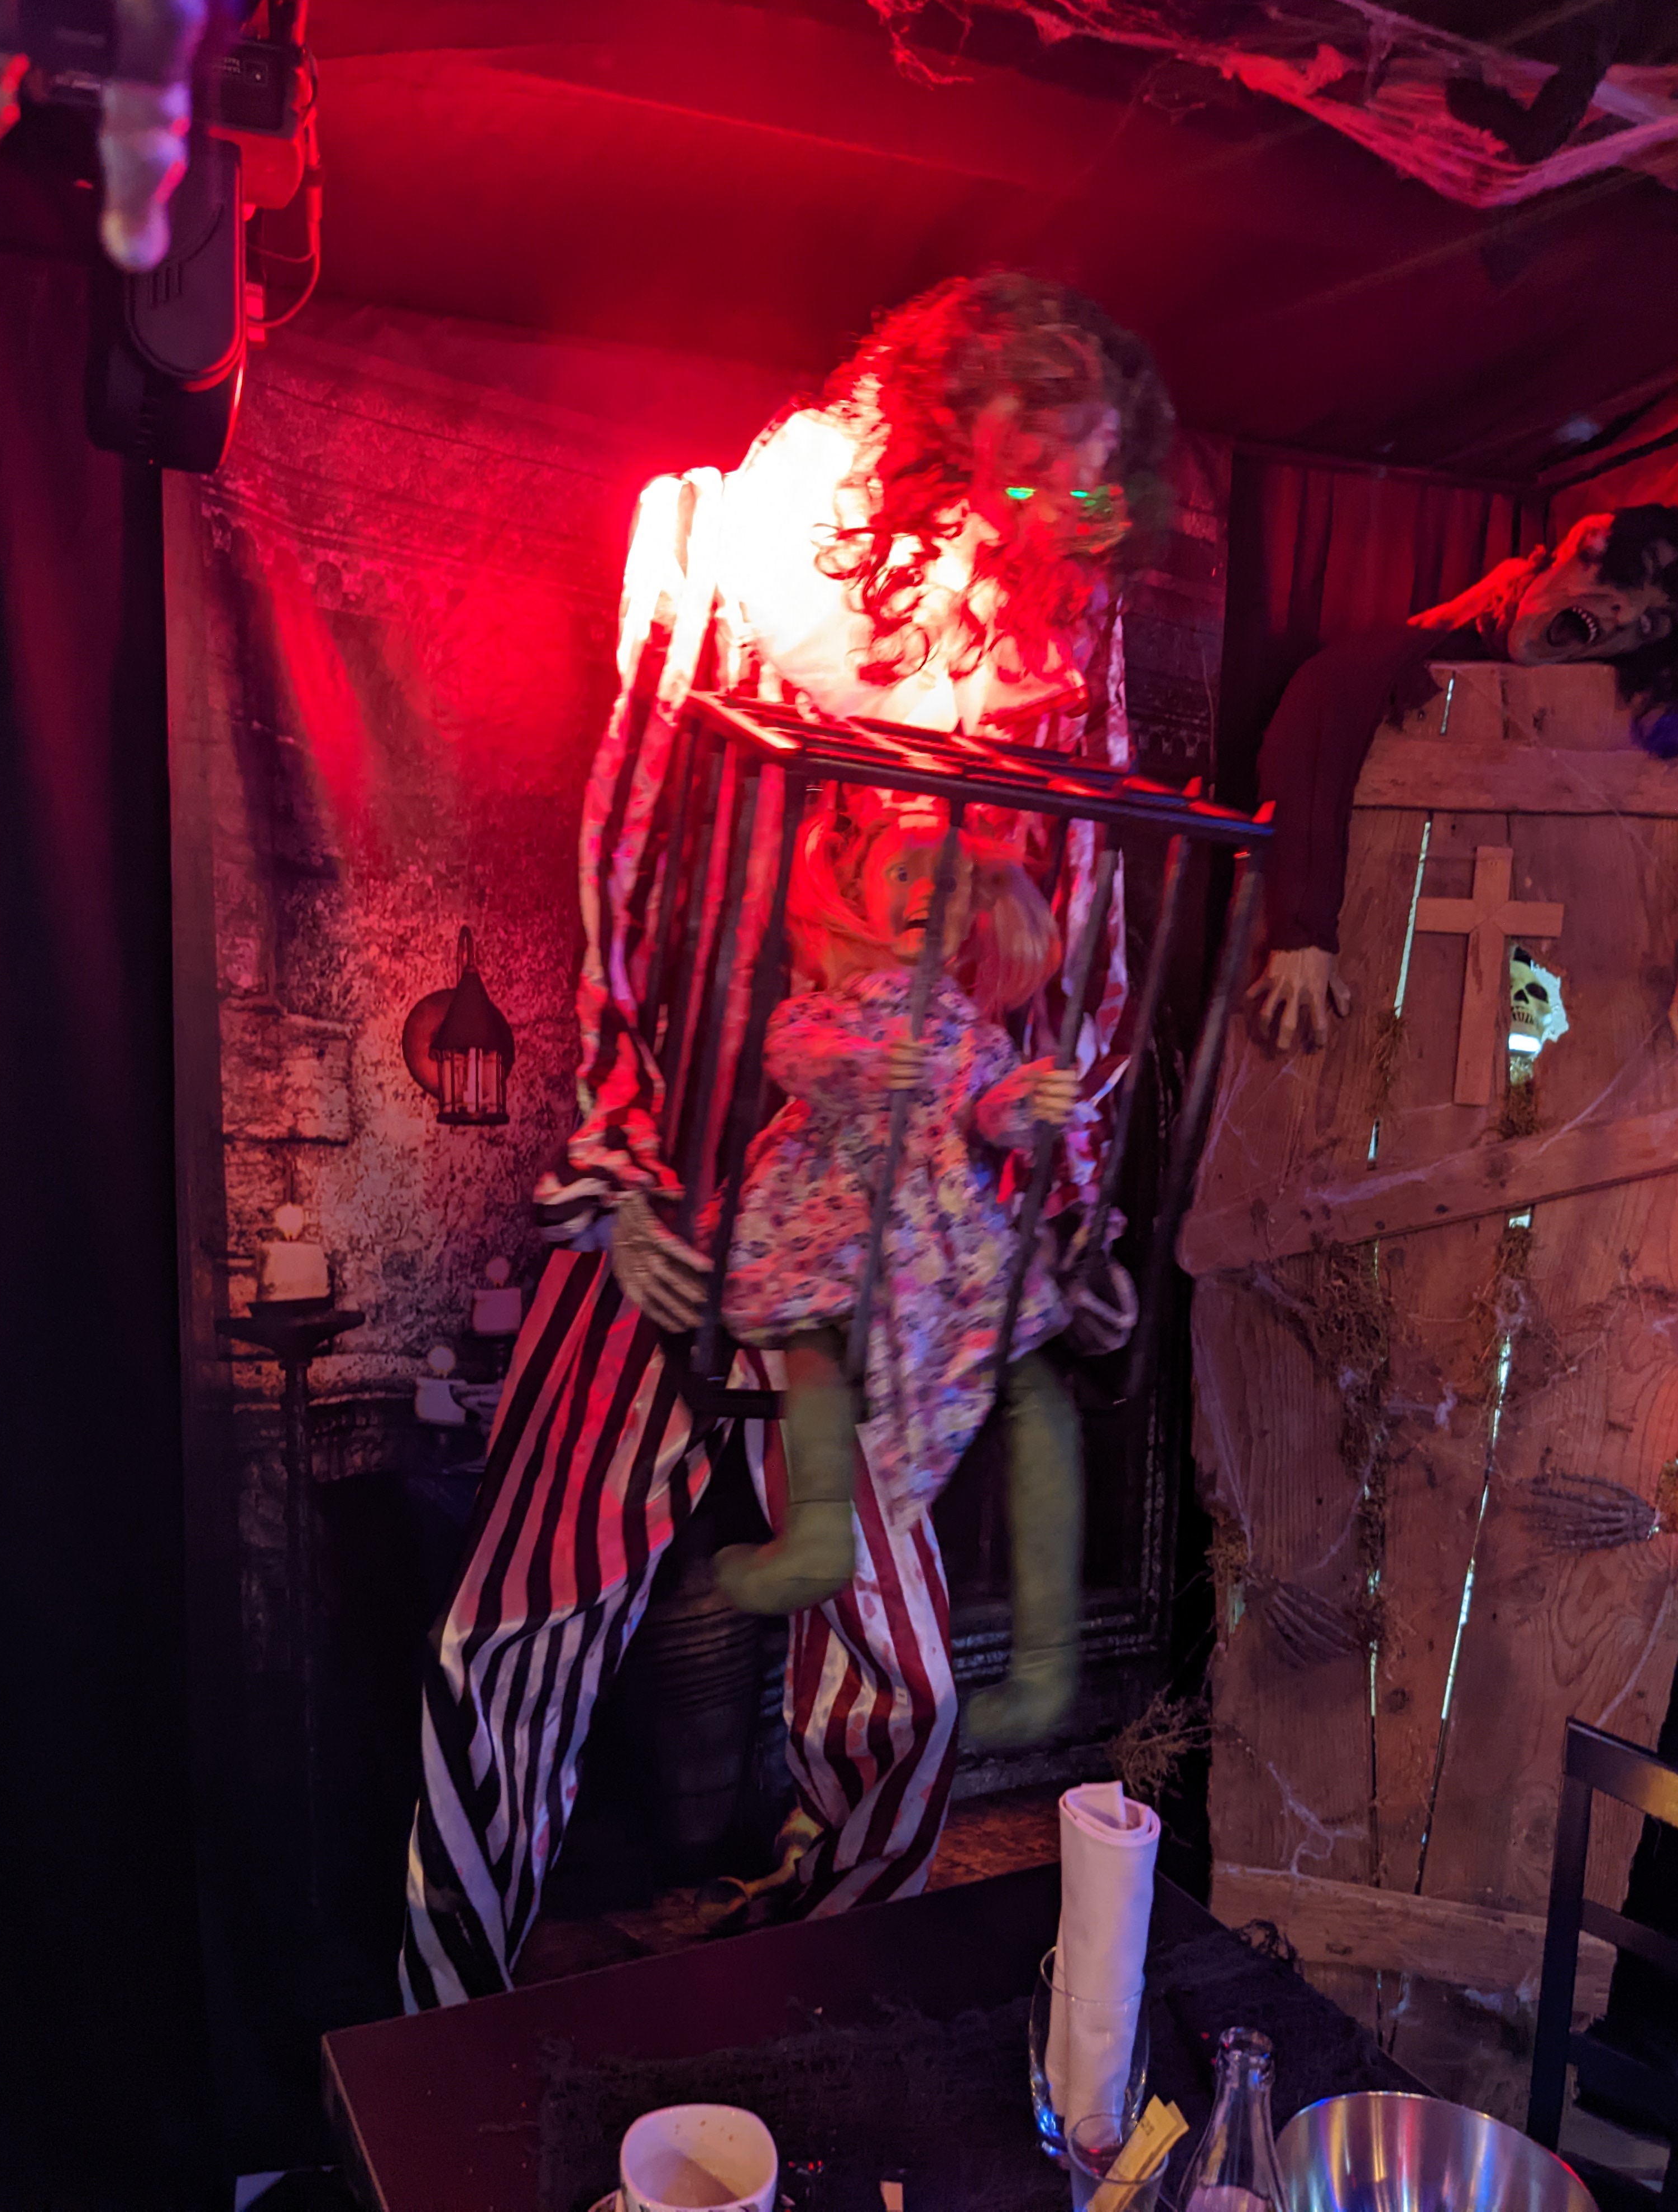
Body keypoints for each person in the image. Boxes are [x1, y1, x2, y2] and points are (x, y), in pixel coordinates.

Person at [400, 272, 1174, 2009]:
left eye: (1093, 473)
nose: (1073, 507)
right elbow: (632, 863)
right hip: (706, 1176)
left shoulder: (1058, 637)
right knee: (518, 1633)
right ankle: (438, 2042)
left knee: (905, 1690)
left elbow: (1086, 912)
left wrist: (1058, 1191)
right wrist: (621, 1160)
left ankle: (826, 1997)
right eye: (1045, 462)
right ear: (953, 433)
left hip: (889, 1235)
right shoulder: (739, 542)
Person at [717, 799, 1086, 1750]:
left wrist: (1027, 1102)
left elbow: (989, 1110)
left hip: (943, 1236)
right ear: (856, 894)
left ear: (974, 914)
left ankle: (1045, 1669)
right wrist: (866, 1061)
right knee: (812, 1327)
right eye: (902, 872)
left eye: (950, 882)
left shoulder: (976, 1032)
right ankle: (816, 1533)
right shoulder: (830, 1003)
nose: (927, 892)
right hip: (840, 1215)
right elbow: (790, 1049)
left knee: (1031, 1379)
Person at [1250, 505, 1678, 1050]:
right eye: (1623, 572)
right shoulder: (1452, 639)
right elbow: (1329, 694)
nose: (1624, 613)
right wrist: (1301, 933)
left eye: (1652, 623)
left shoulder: (1628, 703)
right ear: (1581, 546)